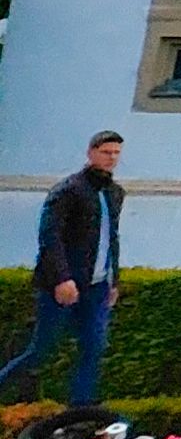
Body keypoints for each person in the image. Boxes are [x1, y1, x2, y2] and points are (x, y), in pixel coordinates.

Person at [9, 134, 126, 414]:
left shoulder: (114, 192)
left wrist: (114, 279)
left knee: (94, 345)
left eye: (116, 153)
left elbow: (111, 237)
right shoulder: (69, 190)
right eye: (106, 152)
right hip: (64, 283)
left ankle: (80, 405)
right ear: (91, 153)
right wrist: (62, 277)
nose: (111, 158)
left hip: (97, 283)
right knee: (42, 348)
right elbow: (50, 237)